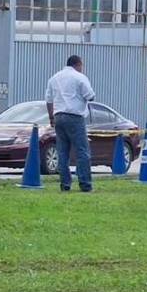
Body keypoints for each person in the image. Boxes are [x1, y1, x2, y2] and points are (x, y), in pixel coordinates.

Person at [45, 55, 95, 193]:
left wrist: (51, 118)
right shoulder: (79, 77)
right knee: (82, 151)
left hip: (58, 116)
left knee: (62, 152)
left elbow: (49, 100)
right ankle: (85, 184)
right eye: (81, 66)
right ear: (78, 64)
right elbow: (90, 96)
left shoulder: (54, 78)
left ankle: (65, 184)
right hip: (75, 117)